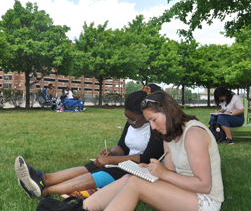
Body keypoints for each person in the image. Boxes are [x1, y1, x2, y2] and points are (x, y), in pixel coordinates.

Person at [51, 90, 224, 211]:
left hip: (205, 203)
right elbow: (172, 175)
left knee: (135, 183)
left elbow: (204, 185)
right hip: (186, 194)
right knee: (131, 177)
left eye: (154, 120)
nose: (153, 127)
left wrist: (163, 174)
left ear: (168, 110)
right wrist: (152, 172)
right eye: (149, 121)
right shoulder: (169, 134)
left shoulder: (193, 133)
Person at [14, 84, 164, 198]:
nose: (129, 122)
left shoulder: (157, 127)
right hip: (123, 162)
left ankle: (44, 190)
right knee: (93, 165)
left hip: (138, 170)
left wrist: (112, 160)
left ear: (146, 114)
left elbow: (146, 158)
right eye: (127, 118)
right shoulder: (133, 123)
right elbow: (122, 145)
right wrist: (111, 153)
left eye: (132, 119)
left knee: (99, 173)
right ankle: (43, 178)